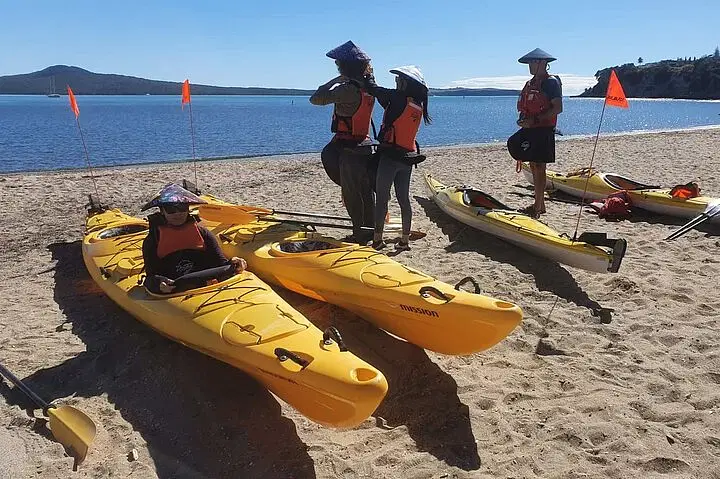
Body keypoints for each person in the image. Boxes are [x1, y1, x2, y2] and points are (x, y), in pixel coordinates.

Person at [310, 40, 376, 243]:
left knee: (352, 194)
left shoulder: (347, 90)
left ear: (345, 67)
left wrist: (334, 81)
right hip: (365, 145)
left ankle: (359, 234)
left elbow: (316, 98)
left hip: (348, 149)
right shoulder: (369, 87)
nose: (337, 66)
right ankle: (370, 230)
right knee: (365, 192)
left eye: (338, 64)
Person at [363, 65, 431, 251]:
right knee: (403, 199)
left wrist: (369, 75)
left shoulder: (397, 98)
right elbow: (390, 108)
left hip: (390, 157)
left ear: (404, 83)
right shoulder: (417, 104)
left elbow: (373, 89)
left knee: (382, 199)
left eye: (398, 79)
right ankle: (404, 241)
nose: (395, 82)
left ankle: (377, 240)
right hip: (408, 158)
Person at [140, 184, 246, 294]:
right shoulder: (153, 240)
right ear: (162, 211)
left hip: (207, 286)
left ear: (188, 209)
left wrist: (233, 262)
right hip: (176, 291)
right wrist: (159, 284)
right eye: (171, 209)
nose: (178, 213)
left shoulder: (203, 233)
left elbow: (221, 263)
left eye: (182, 208)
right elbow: (151, 277)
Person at [507, 48, 563, 218]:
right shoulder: (530, 84)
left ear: (543, 63)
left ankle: (537, 207)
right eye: (529, 62)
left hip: (543, 130)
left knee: (539, 167)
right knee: (532, 165)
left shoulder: (551, 83)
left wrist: (536, 120)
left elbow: (557, 108)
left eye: (533, 62)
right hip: (530, 129)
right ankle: (541, 204)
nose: (530, 66)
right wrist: (523, 120)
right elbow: (525, 106)